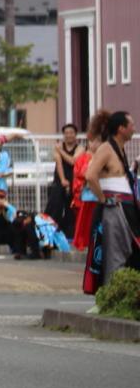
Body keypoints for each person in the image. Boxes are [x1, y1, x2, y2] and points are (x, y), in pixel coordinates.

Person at [83, 111, 140, 294]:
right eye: (131, 124)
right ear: (121, 129)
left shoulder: (119, 149)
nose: (134, 128)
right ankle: (112, 297)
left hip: (126, 208)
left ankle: (123, 294)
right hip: (115, 208)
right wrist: (103, 199)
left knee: (129, 252)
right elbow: (90, 176)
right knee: (115, 254)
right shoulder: (106, 149)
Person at [72, 111, 110, 251]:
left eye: (95, 140)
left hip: (98, 196)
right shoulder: (87, 157)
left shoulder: (102, 155)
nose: (92, 144)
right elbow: (82, 174)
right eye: (91, 141)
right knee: (90, 229)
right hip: (91, 197)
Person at [48, 124, 83, 239]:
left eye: (71, 132)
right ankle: (51, 233)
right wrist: (63, 180)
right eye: (66, 133)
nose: (69, 135)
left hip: (74, 180)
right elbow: (58, 162)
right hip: (60, 179)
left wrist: (61, 151)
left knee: (71, 209)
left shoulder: (80, 148)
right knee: (55, 206)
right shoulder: (58, 146)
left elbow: (73, 161)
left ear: (75, 134)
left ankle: (71, 235)